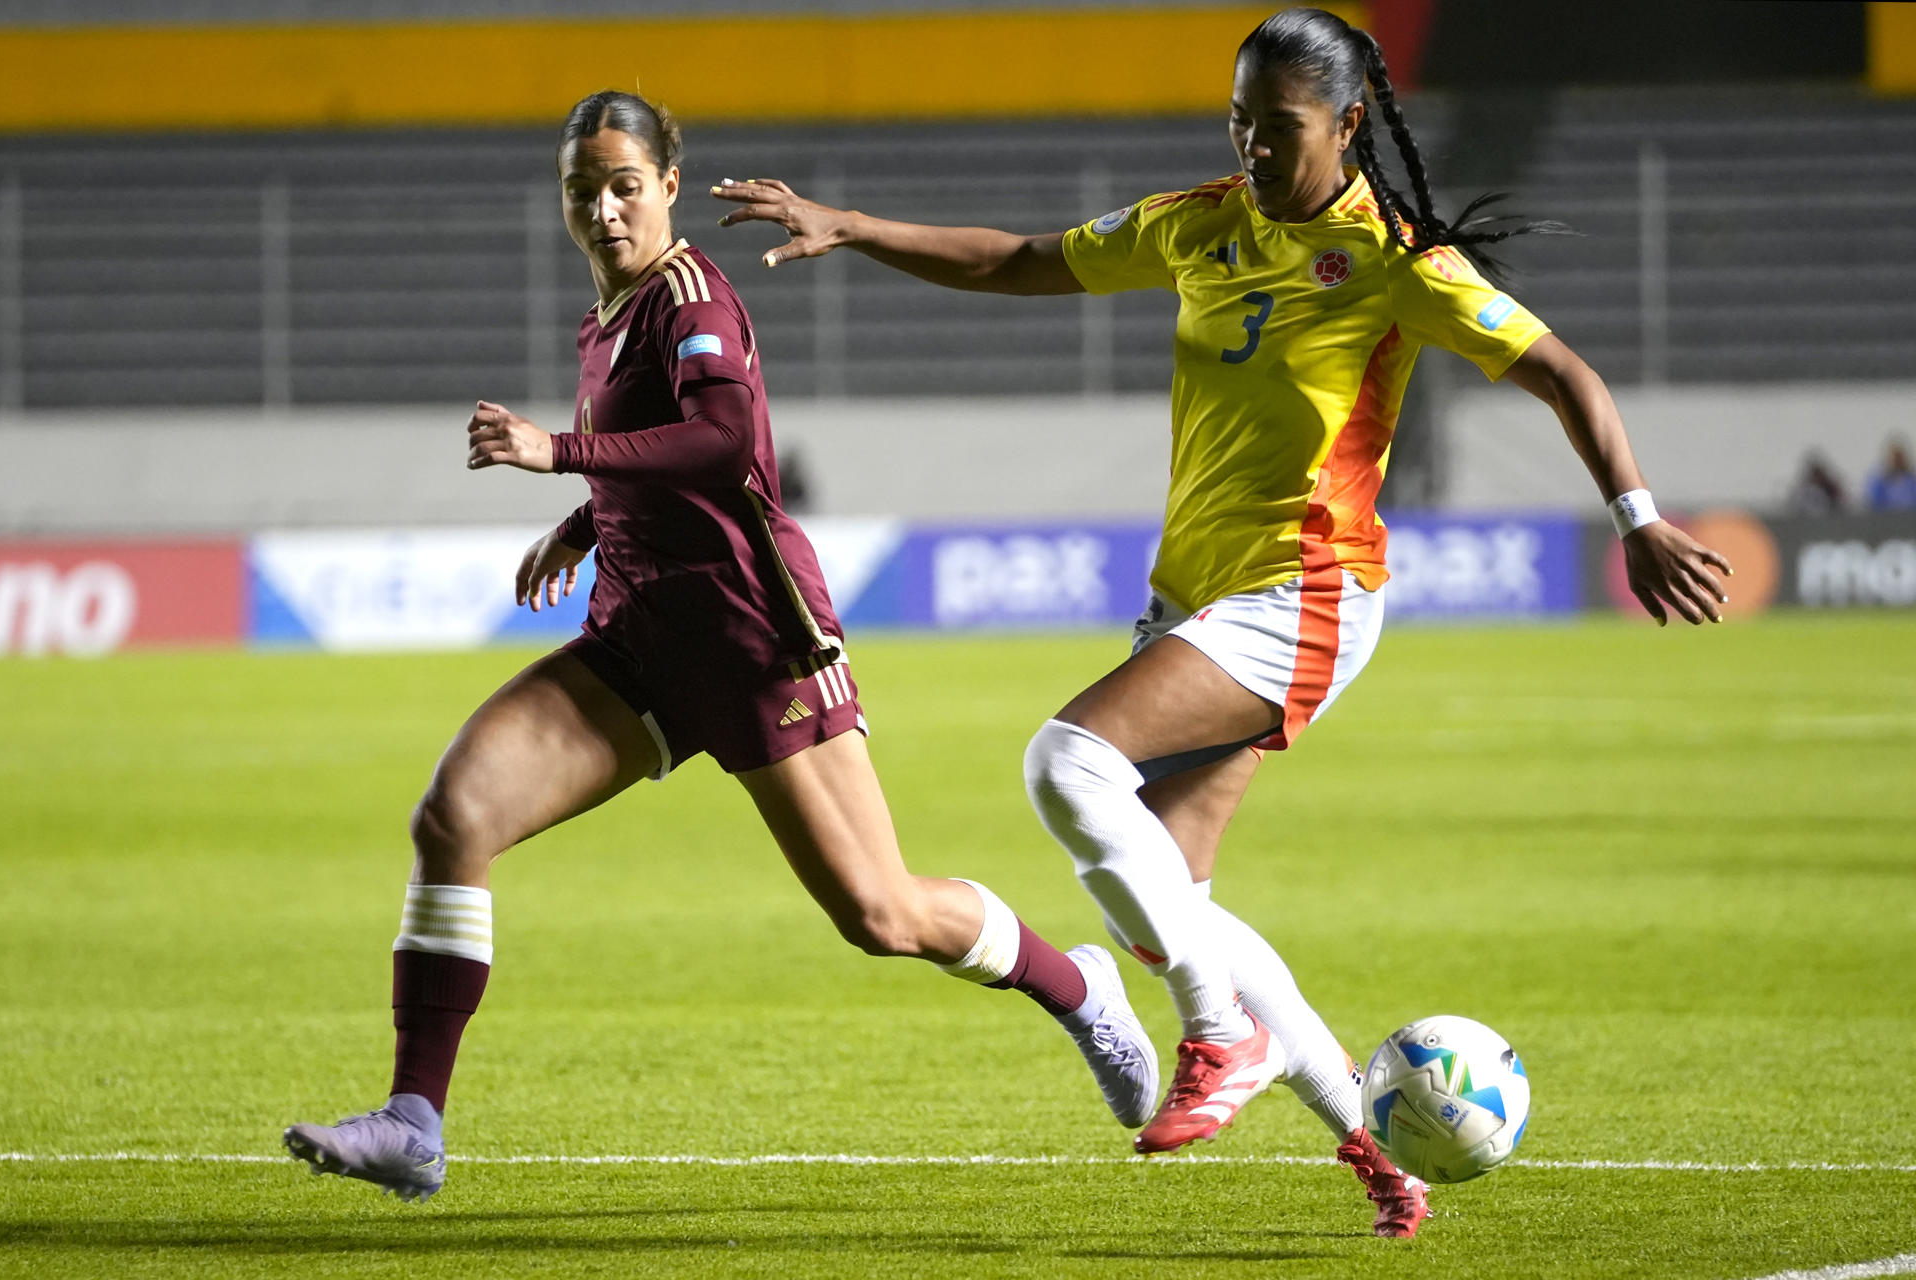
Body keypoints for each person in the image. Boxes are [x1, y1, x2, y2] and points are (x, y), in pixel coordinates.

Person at [714, 7, 1732, 1238]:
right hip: (1201, 601)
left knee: (1067, 761)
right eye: (1239, 118)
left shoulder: (1399, 258)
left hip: (1307, 593)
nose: (1251, 144)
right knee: (1167, 900)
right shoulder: (1203, 222)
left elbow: (1561, 369)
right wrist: (855, 225)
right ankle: (1370, 1143)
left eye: (1279, 126)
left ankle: (1219, 1029)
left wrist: (1637, 515)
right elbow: (1023, 258)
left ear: (1349, 122)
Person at [282, 90, 1158, 1204]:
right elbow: (656, 460)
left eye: (624, 185)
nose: (603, 208)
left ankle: (1078, 987)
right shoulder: (605, 316)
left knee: (882, 913)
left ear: (668, 187)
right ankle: (414, 1118)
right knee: (455, 814)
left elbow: (724, 437)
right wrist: (588, 514)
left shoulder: (694, 294)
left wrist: (562, 454)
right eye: (582, 189)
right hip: (641, 640)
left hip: (755, 641)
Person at [1866, 437, 1916, 511]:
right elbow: (1874, 505)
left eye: (1900, 458)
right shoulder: (1880, 484)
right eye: (1895, 458)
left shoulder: (1912, 482)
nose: (1898, 462)